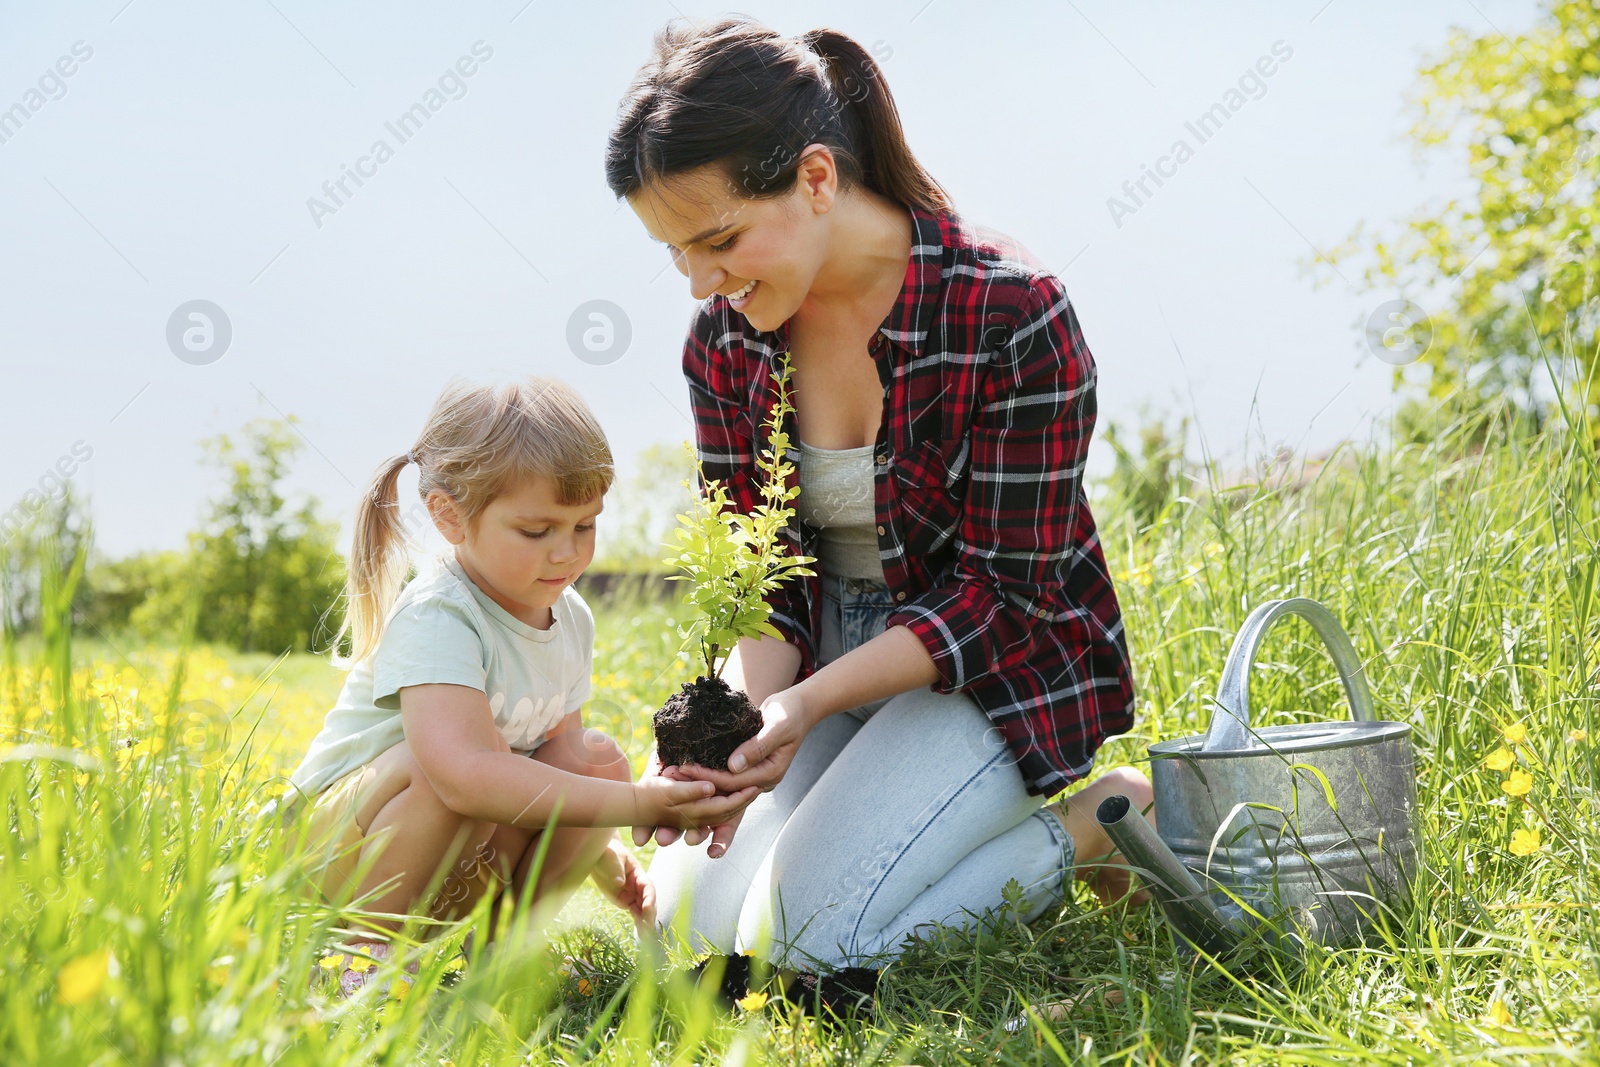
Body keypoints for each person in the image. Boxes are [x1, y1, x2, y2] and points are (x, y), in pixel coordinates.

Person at [604, 17, 1155, 992]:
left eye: (719, 239)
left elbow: (1001, 592)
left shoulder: (1008, 313)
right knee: (696, 917)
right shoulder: (723, 345)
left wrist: (804, 701)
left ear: (817, 179)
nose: (701, 282)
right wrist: (736, 726)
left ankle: (1095, 825)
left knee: (814, 941)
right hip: (826, 652)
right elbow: (763, 570)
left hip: (991, 664)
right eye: (676, 252)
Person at [280, 377, 756, 997]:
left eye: (585, 525)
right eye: (537, 532)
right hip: (330, 857)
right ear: (450, 516)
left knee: (596, 761)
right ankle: (364, 953)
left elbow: (558, 757)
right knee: (439, 772)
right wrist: (640, 805)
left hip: (453, 850)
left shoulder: (570, 615)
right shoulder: (440, 614)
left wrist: (604, 849)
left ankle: (494, 953)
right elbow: (464, 775)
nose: (567, 553)